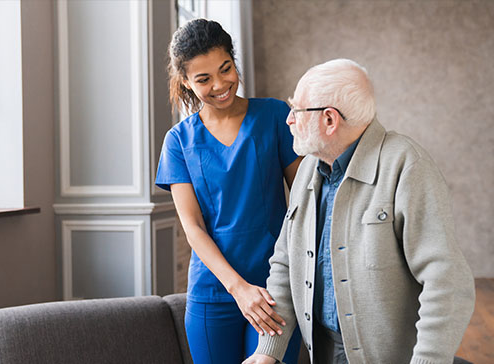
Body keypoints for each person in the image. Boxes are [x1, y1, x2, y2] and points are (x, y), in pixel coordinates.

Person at [243, 59, 476, 364]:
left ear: (329, 120)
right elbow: (286, 263)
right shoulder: (307, 169)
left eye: (297, 110)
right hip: (322, 351)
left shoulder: (406, 165)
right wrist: (267, 350)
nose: (289, 120)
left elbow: (447, 281)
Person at [155, 19, 303, 364]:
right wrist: (238, 289)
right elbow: (193, 228)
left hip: (274, 285)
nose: (221, 85)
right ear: (186, 83)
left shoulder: (275, 116)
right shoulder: (178, 141)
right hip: (212, 291)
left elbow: (304, 203)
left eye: (226, 69)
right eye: (204, 79)